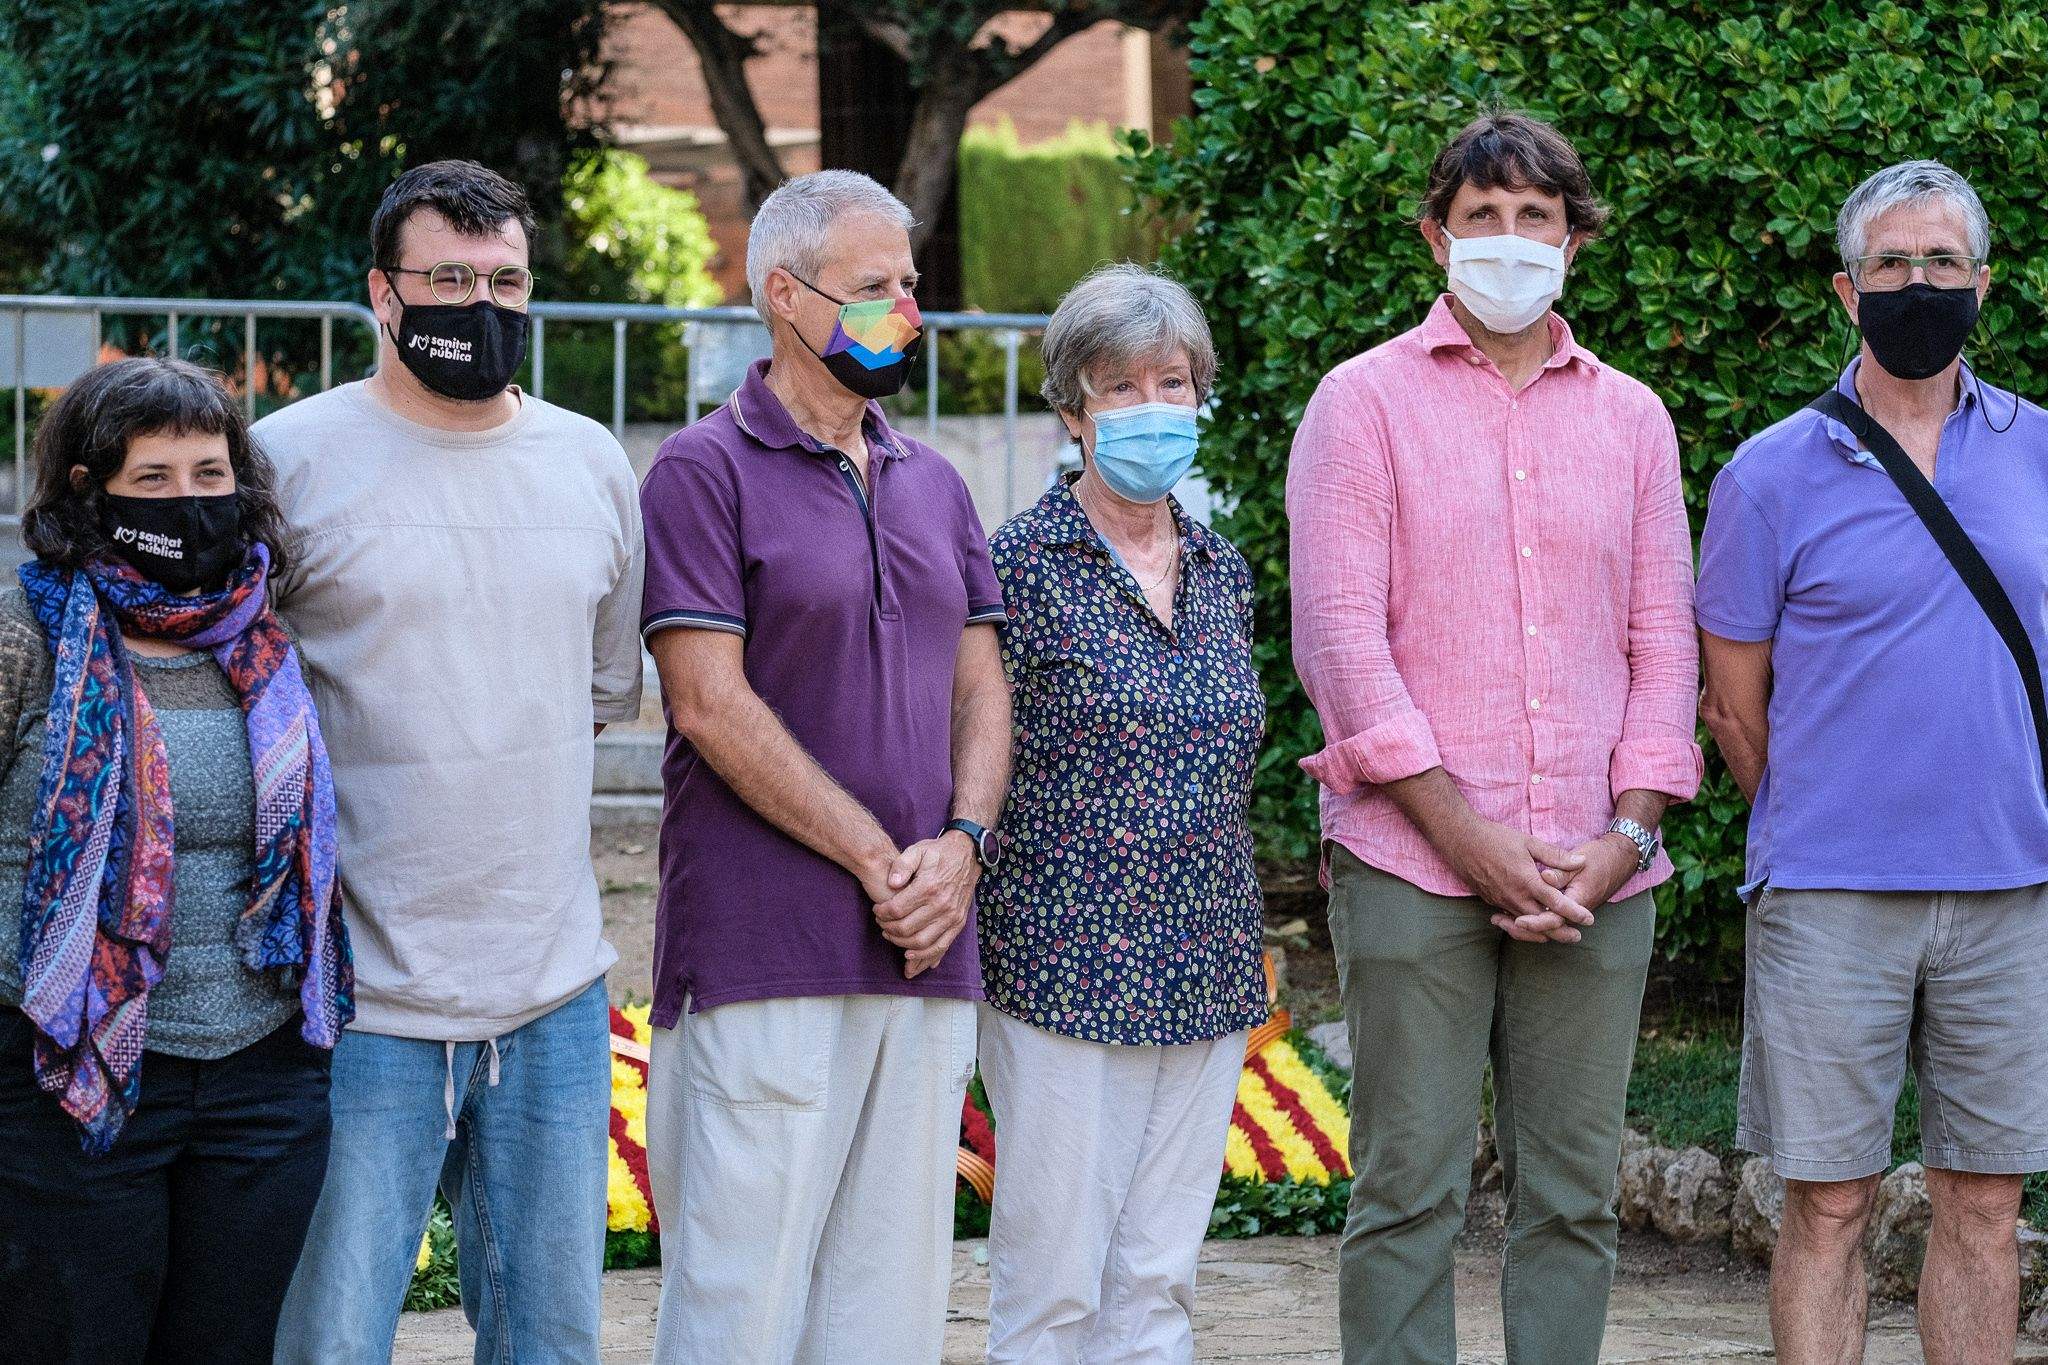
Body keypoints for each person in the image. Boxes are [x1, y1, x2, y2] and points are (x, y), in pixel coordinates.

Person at [1287, 110, 1702, 1363]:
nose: (1509, 242)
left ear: (1573, 239)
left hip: (1595, 871)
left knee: (1572, 1198)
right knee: (1406, 1192)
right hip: (1412, 862)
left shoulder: (1631, 420)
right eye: (1482, 219)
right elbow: (1341, 647)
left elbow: (1662, 645)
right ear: (1436, 237)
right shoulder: (1357, 405)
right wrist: (1468, 841)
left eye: (1536, 218)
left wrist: (1625, 837)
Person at [264, 159, 644, 1363]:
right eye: (448, 278)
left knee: (551, 1341)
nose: (480, 302)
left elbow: (588, 696)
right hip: (356, 999)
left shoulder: (590, 462)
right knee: (328, 1337)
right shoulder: (288, 460)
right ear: (383, 292)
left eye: (505, 279)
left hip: (551, 994)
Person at [638, 168, 1011, 1363]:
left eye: (909, 284)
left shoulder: (936, 480)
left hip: (924, 953)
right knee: (739, 1304)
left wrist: (961, 852)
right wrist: (879, 861)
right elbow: (706, 702)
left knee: (887, 1309)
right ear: (785, 298)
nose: (903, 309)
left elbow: (981, 691)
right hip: (763, 952)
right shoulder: (701, 472)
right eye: (872, 288)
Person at [1698, 160, 2048, 1365]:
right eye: (1892, 264)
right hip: (1829, 896)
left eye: (1941, 264)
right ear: (1846, 291)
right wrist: (1830, 819)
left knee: (1986, 1201)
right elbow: (1732, 710)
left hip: (2014, 890)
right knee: (1828, 1202)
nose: (1918, 284)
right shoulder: (1767, 474)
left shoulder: (2043, 454)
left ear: (1981, 285)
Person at [0, 357, 348, 1363]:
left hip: (261, 1078)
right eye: (153, 479)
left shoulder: (265, 637)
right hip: (69, 1069)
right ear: (86, 489)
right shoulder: (30, 635)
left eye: (209, 475)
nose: (188, 502)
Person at [975, 262, 1266, 1363]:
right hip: (1060, 961)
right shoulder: (1011, 567)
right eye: (1119, 388)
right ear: (1070, 409)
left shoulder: (1221, 571)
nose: (1152, 409)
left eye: (1173, 382)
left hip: (1205, 955)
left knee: (1157, 1277)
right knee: (1052, 1280)